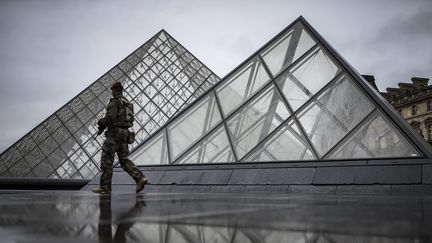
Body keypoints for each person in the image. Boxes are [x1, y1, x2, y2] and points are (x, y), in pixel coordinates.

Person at [92, 82, 148, 194]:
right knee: (124, 160)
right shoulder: (129, 104)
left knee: (107, 160)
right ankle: (140, 178)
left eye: (112, 90)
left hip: (114, 134)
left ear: (114, 90)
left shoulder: (114, 102)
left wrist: (102, 122)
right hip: (125, 134)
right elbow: (128, 119)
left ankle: (105, 187)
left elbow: (110, 118)